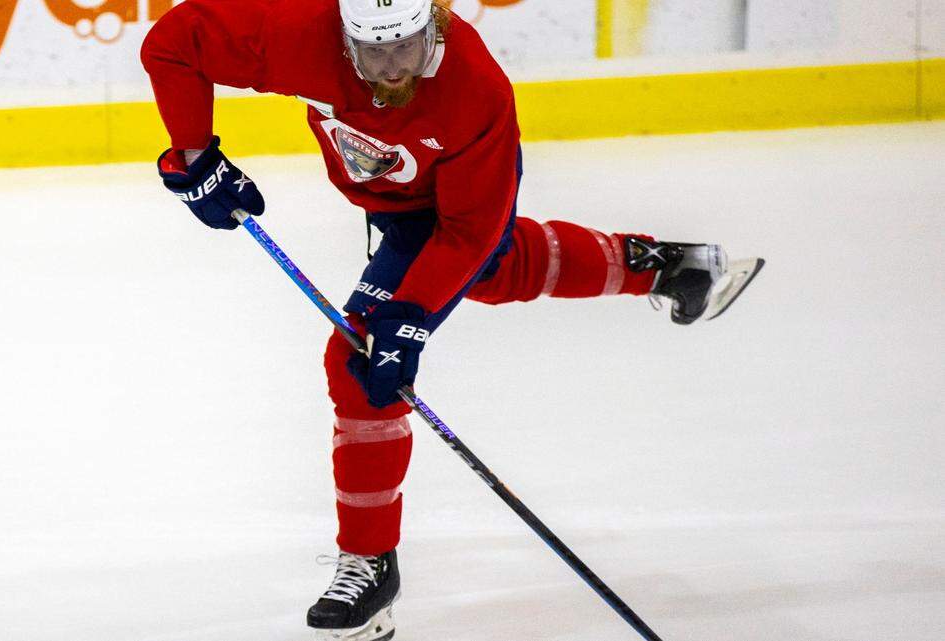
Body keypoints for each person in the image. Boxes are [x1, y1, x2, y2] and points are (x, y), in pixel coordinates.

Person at [141, 1, 761, 639]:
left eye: (403, 49)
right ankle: (671, 268)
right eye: (370, 52)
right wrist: (193, 155)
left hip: (455, 208)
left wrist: (408, 320)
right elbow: (174, 43)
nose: (387, 68)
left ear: (433, 24)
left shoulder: (475, 89)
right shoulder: (301, 33)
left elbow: (467, 234)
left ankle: (370, 564)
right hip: (388, 193)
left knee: (360, 360)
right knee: (491, 274)